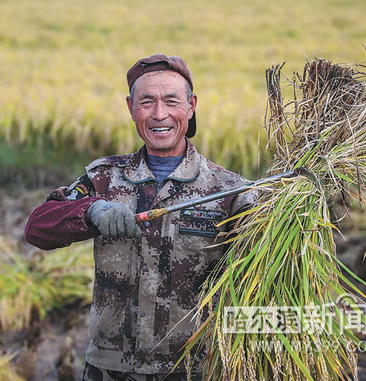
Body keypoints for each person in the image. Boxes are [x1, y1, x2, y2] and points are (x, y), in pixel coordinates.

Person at [24, 54, 255, 381]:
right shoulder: (104, 178)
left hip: (193, 369)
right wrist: (91, 210)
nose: (159, 114)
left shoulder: (229, 190)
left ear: (191, 106)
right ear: (131, 107)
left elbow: (265, 272)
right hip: (110, 368)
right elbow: (38, 228)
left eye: (171, 101)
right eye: (147, 102)